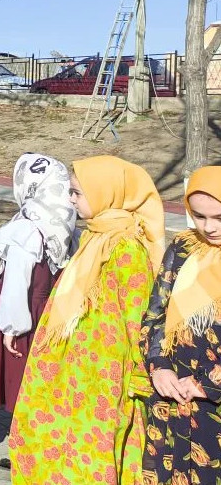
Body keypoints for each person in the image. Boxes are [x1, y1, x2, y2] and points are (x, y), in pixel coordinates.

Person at [8, 156, 165, 485]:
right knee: (53, 439)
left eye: (77, 193)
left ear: (105, 192)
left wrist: (140, 374)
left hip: (104, 374)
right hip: (72, 367)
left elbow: (137, 315)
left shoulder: (127, 248)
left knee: (93, 452)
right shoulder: (95, 236)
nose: (70, 199)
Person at [0, 154, 76, 418]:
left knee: (20, 383)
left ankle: (24, 438)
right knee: (40, 383)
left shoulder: (26, 229)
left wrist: (11, 328)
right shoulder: (63, 225)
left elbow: (17, 281)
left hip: (24, 314)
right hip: (49, 313)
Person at [140, 166, 221, 485]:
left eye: (219, 217)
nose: (209, 227)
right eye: (199, 216)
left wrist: (208, 383)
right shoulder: (183, 249)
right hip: (173, 401)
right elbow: (155, 316)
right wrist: (159, 366)